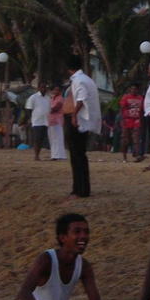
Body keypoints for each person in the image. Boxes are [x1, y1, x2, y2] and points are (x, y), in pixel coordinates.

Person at [66, 55, 101, 198]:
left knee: (78, 156)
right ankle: (78, 187)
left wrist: (74, 116)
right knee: (77, 156)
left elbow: (81, 99)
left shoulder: (79, 80)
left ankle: (82, 189)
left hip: (79, 122)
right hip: (81, 121)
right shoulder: (84, 79)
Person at [25, 81, 51, 162]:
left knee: (42, 139)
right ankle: (36, 155)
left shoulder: (49, 97)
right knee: (37, 139)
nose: (44, 88)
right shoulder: (33, 97)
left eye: (45, 87)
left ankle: (39, 154)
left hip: (46, 121)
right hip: (37, 121)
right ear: (39, 88)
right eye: (42, 87)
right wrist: (31, 118)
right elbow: (28, 109)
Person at [119, 84, 144, 162]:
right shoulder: (126, 97)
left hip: (136, 121)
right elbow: (122, 108)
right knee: (125, 140)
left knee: (136, 139)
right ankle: (124, 156)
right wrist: (122, 119)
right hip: (127, 120)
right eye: (132, 89)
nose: (133, 91)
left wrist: (141, 120)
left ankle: (137, 156)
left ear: (137, 90)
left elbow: (141, 110)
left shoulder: (141, 98)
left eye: (135, 89)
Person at [47, 84, 66, 160]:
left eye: (58, 90)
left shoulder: (60, 99)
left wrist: (46, 109)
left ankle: (59, 155)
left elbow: (54, 109)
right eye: (55, 89)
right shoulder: (52, 99)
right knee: (52, 139)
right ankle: (54, 155)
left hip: (57, 121)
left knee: (58, 138)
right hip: (51, 121)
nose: (56, 91)